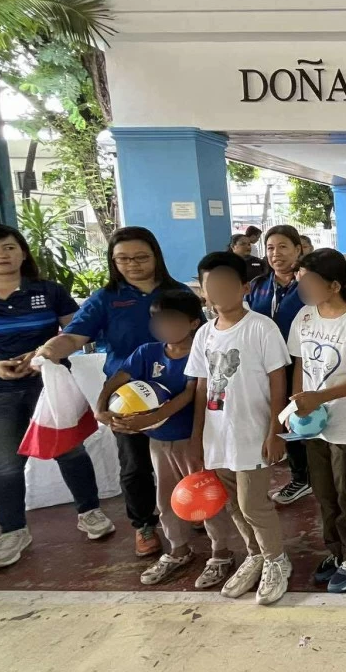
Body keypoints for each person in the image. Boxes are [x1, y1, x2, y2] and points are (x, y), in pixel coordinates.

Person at [0, 225, 115, 571]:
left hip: (48, 385)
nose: (1, 256)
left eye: (9, 247)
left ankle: (89, 511)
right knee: (6, 464)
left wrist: (44, 353)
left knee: (69, 448)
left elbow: (77, 331)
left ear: (23, 252)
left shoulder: (48, 291)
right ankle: (12, 531)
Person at [37, 226, 190, 558]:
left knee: (183, 459)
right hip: (127, 396)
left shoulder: (178, 293)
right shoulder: (105, 298)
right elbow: (74, 337)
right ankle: (144, 525)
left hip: (179, 391)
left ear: (156, 257)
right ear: (113, 261)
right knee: (135, 464)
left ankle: (191, 511)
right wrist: (48, 350)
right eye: (122, 259)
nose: (132, 265)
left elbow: (202, 340)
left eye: (140, 257)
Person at [96, 290, 236, 588]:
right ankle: (178, 550)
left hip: (193, 441)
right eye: (158, 321)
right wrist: (101, 408)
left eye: (172, 321)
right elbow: (118, 378)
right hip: (159, 441)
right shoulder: (147, 352)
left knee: (206, 498)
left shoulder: (201, 355)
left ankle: (221, 553)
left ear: (193, 323)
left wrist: (152, 416)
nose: (165, 327)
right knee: (167, 499)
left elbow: (188, 395)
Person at [187, 252, 292, 605]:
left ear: (244, 288)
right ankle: (255, 554)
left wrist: (275, 431)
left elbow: (279, 380)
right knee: (232, 503)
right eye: (210, 285)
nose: (218, 291)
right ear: (203, 292)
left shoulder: (261, 327)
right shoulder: (203, 335)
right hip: (218, 435)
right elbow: (202, 386)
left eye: (226, 284)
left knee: (253, 504)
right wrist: (197, 436)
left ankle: (277, 560)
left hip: (252, 432)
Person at [287, 249, 346, 593]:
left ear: (334, 286)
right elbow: (300, 363)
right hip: (314, 423)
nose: (303, 288)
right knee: (324, 491)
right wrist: (299, 404)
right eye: (301, 282)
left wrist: (320, 398)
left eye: (310, 282)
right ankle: (337, 550)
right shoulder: (305, 317)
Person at [246, 225, 310, 505]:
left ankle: (304, 477)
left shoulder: (308, 286)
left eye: (283, 246)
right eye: (270, 248)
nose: (275, 253)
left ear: (298, 250)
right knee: (277, 417)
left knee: (298, 416)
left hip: (301, 364)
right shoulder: (258, 286)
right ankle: (297, 475)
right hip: (264, 365)